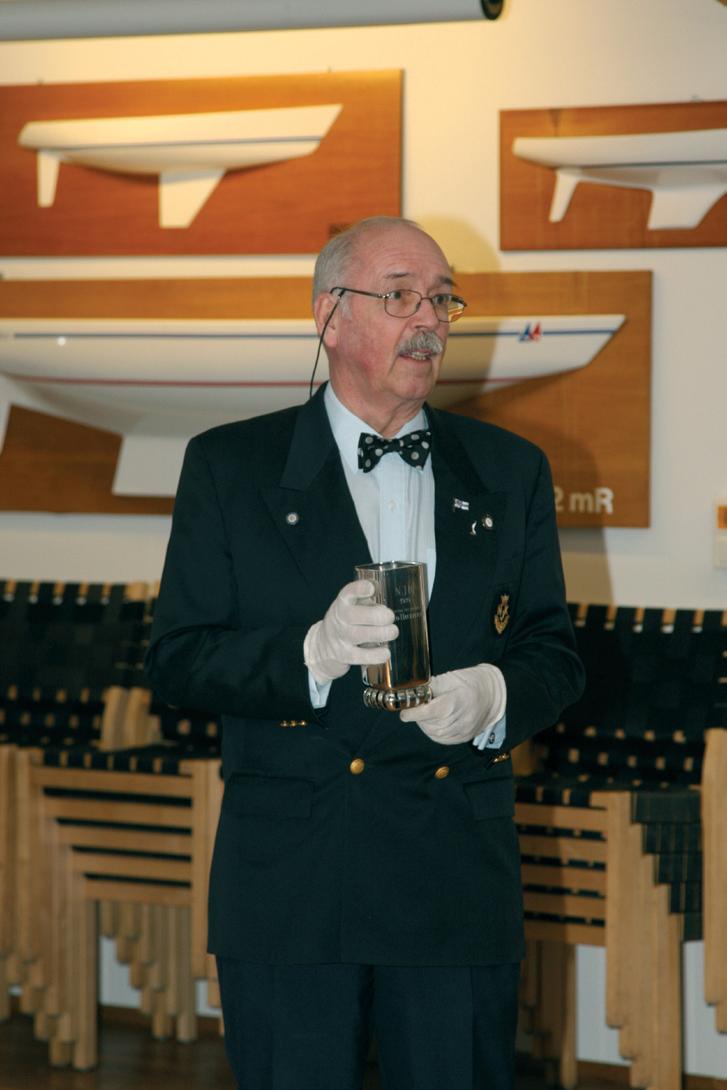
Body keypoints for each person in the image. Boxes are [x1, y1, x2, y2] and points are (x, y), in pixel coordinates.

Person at [146, 216, 585, 1090]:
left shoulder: (509, 469)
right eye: (399, 297)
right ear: (329, 316)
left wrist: (494, 696)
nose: (428, 321)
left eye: (441, 300)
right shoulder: (231, 466)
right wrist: (308, 654)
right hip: (296, 874)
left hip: (453, 870)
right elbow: (179, 659)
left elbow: (555, 653)